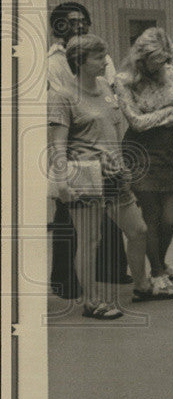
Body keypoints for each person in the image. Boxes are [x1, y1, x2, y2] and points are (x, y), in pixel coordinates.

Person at [47, 35, 151, 319]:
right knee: (90, 239)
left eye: (104, 55)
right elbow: (57, 144)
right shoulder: (62, 95)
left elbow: (112, 129)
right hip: (85, 174)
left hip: (114, 173)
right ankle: (91, 302)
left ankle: (142, 284)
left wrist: (121, 161)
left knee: (138, 230)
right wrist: (62, 181)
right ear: (79, 61)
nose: (105, 60)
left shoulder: (105, 86)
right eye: (98, 57)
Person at [47, 1, 129, 298]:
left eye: (83, 20)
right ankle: (66, 281)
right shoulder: (54, 60)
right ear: (58, 27)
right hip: (73, 143)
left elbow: (110, 86)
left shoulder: (99, 52)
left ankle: (112, 271)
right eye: (70, 21)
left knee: (107, 217)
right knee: (71, 220)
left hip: (101, 141)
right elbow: (61, 101)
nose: (78, 25)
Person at [114, 27, 173, 296]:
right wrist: (168, 112)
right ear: (143, 58)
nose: (165, 65)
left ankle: (162, 263)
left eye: (168, 59)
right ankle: (156, 272)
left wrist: (167, 115)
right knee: (152, 217)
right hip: (139, 152)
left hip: (167, 149)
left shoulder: (171, 71)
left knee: (171, 217)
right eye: (160, 60)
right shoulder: (123, 80)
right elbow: (136, 122)